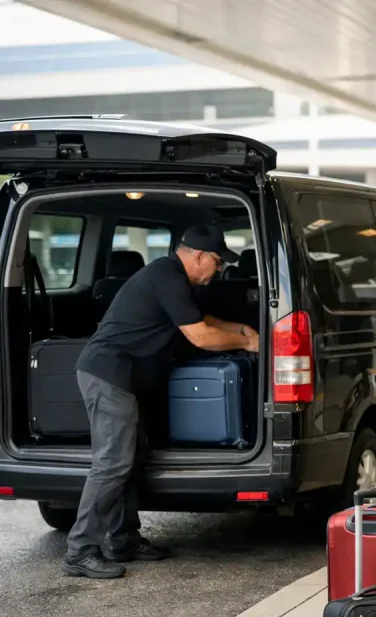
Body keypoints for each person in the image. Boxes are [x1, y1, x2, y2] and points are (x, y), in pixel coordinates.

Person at [61, 225, 260, 580]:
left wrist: (240, 329)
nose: (219, 271)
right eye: (216, 262)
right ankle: (80, 550)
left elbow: (201, 320)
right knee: (111, 463)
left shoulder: (172, 277)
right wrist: (244, 344)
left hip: (122, 377)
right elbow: (199, 336)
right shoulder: (166, 276)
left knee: (131, 458)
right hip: (110, 375)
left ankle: (122, 538)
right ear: (198, 256)